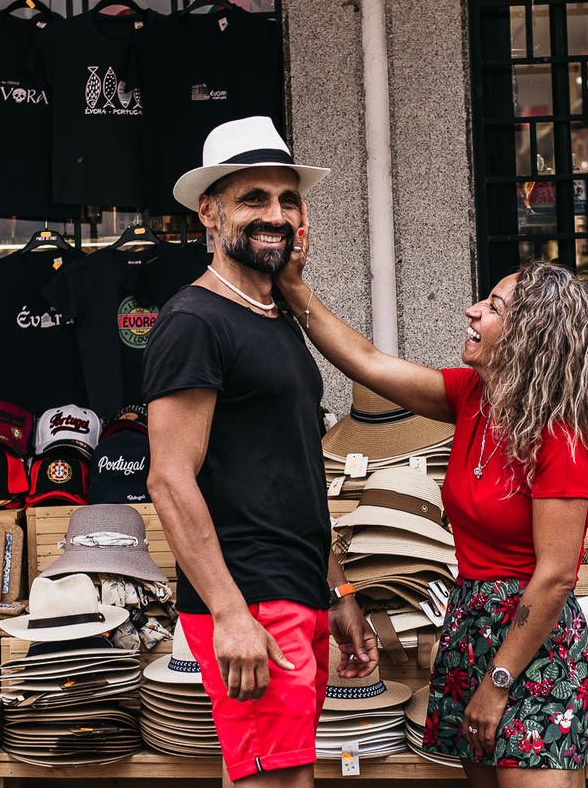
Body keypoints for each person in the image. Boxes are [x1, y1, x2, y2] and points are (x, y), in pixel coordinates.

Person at [275, 220, 588, 786]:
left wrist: (498, 683)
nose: (471, 311)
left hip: (533, 645)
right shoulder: (471, 397)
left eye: (492, 307)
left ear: (527, 336)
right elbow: (366, 361)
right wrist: (293, 287)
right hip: (469, 624)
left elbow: (557, 577)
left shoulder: (560, 439)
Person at [143, 116, 378, 788]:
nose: (276, 215)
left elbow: (287, 472)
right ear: (208, 212)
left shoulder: (274, 317)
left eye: (288, 199)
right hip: (249, 596)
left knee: (283, 776)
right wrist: (228, 611)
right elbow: (169, 480)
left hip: (292, 589)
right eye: (253, 198)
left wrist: (335, 588)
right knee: (276, 781)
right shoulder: (195, 321)